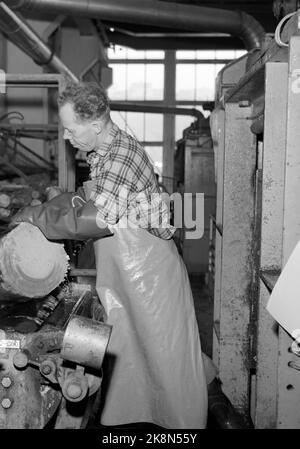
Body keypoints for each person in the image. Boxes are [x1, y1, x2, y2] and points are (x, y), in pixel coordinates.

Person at [11, 80, 244, 429]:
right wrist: (50, 204)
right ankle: (161, 415)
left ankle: (190, 425)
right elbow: (87, 199)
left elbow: (94, 218)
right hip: (129, 270)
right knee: (139, 353)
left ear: (96, 124)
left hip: (149, 273)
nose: (67, 137)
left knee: (168, 357)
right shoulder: (100, 152)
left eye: (72, 129)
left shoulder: (121, 154)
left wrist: (34, 216)